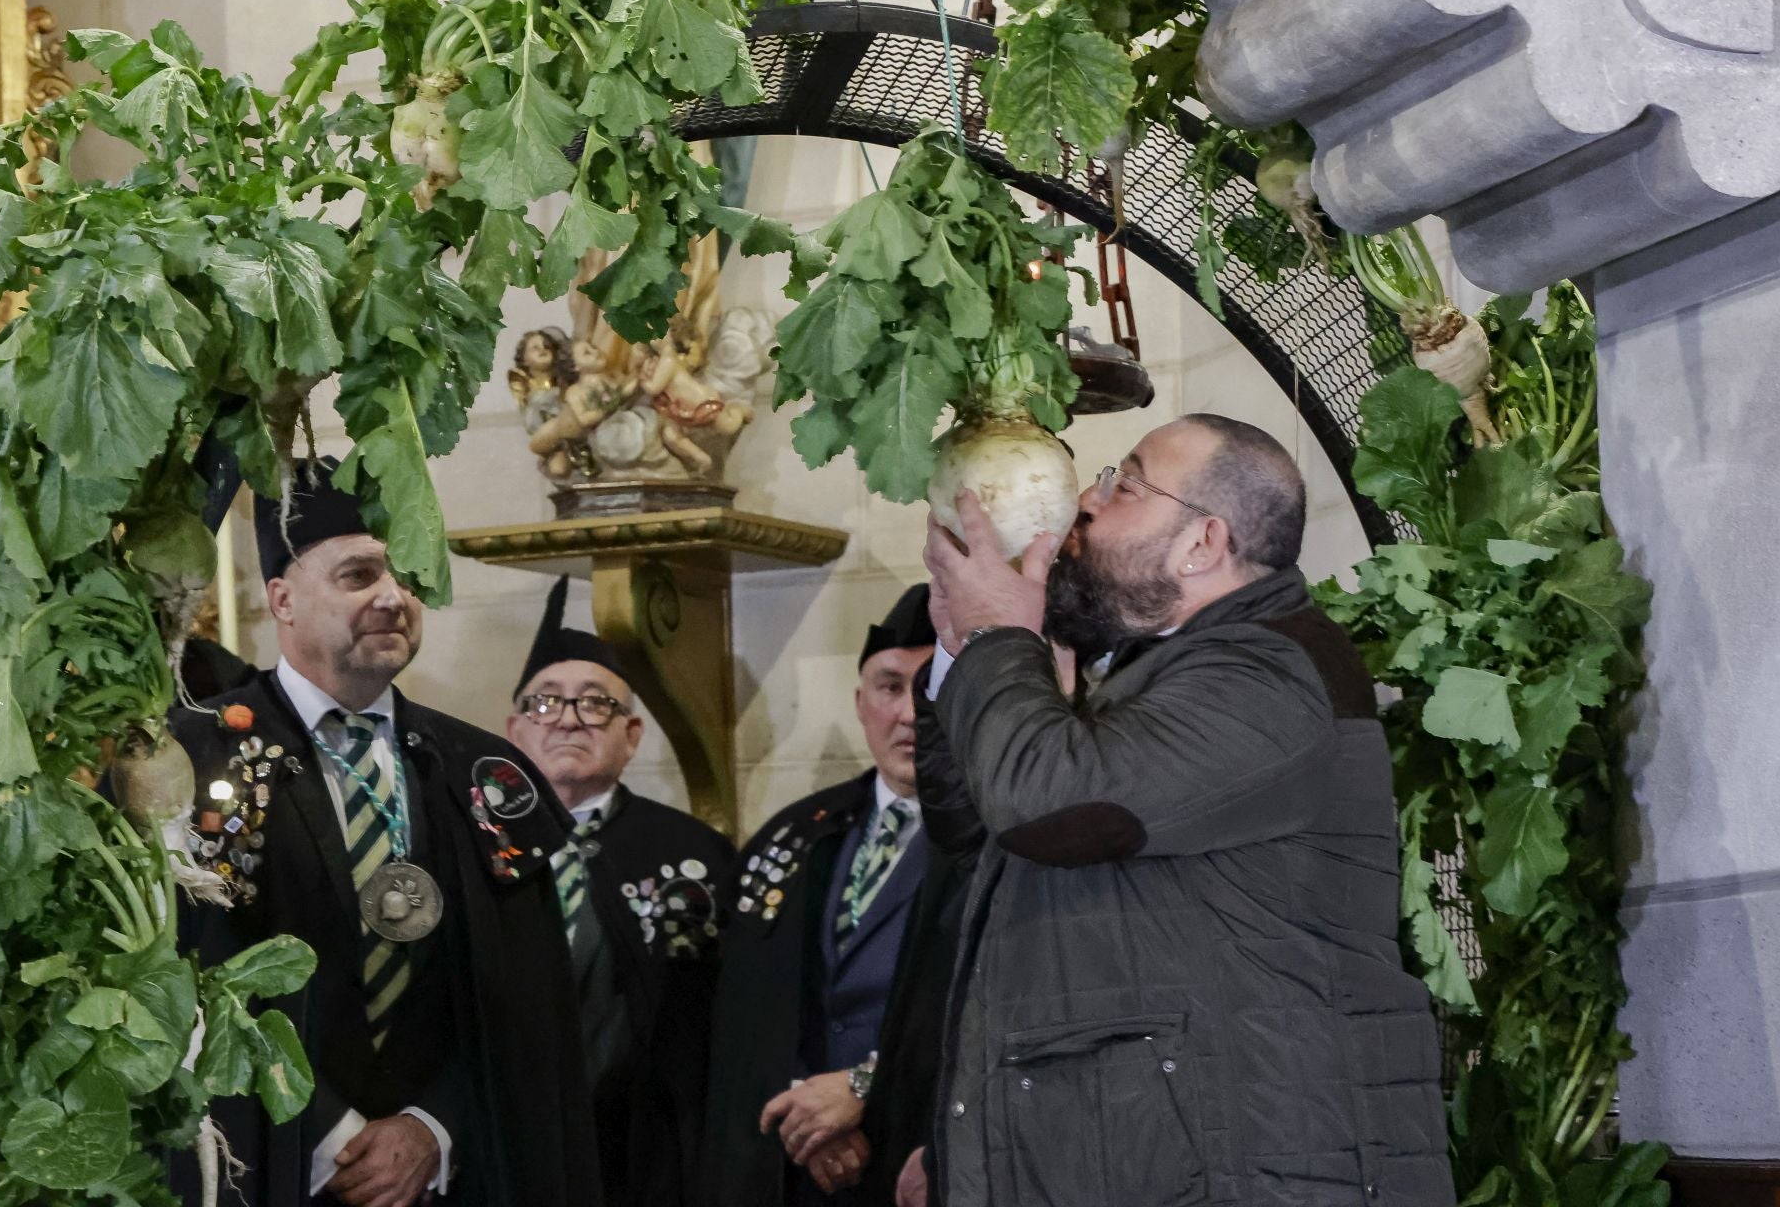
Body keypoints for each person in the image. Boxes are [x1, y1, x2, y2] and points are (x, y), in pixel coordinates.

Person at [913, 414, 1456, 1207]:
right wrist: (966, 649)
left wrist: (1002, 632)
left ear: (1202, 543)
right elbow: (975, 828)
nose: (1085, 505)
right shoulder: (1149, 674)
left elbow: (1048, 805)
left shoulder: (1273, 671)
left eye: (1122, 485)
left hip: (1250, 1167)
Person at [166, 458, 599, 1207]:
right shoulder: (190, 755)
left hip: (449, 1176)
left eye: (403, 576)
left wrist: (433, 1127)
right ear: (283, 600)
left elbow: (526, 1005)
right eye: (359, 575)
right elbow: (188, 971)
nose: (394, 597)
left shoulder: (482, 771)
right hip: (268, 1165)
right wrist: (327, 1135)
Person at [697, 585, 965, 1207]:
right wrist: (809, 1117)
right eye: (890, 686)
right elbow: (746, 1011)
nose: (909, 713)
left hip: (924, 1155)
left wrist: (866, 1090)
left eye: (931, 687)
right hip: (797, 1162)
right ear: (859, 701)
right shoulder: (798, 831)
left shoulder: (1000, 836)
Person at [506, 576, 736, 1207]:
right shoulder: (471, 851)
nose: (570, 721)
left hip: (655, 1156)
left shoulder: (694, 854)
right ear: (514, 731)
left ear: (632, 735)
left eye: (596, 703)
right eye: (545, 703)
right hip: (510, 1145)